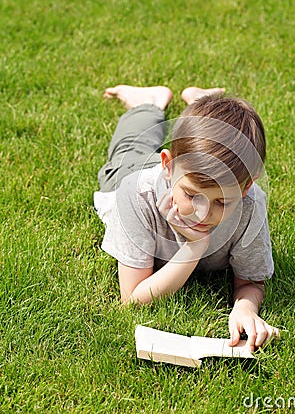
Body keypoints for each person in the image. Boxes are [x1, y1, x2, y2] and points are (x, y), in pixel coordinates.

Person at [94, 84, 279, 351]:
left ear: (246, 187)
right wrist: (194, 247)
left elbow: (250, 281)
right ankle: (148, 102)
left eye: (222, 201)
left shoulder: (250, 204)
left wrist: (245, 308)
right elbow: (133, 299)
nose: (203, 212)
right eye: (192, 195)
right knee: (129, 150)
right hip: (134, 173)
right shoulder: (136, 195)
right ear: (167, 165)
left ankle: (203, 103)